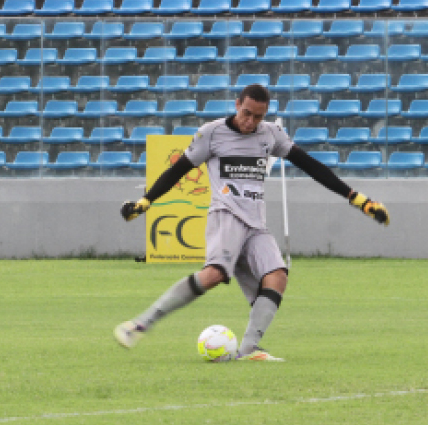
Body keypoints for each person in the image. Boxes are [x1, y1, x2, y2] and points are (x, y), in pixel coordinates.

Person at [115, 84, 389, 362]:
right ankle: (139, 324)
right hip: (226, 216)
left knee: (277, 277)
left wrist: (358, 199)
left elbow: (310, 165)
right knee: (214, 275)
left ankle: (247, 350)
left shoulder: (271, 134)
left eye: (258, 116)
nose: (251, 122)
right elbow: (178, 170)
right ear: (237, 105)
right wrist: (145, 201)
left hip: (256, 224)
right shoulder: (212, 133)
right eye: (247, 113)